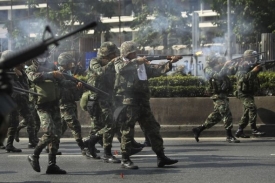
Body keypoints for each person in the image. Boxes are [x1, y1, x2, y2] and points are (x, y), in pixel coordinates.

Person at [113, 41, 179, 169]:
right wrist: (139, 61)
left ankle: (161, 156)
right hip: (129, 102)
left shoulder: (141, 65)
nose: (136, 54)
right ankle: (125, 159)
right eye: (133, 52)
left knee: (153, 129)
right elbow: (121, 69)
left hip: (143, 102)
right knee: (127, 131)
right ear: (127, 53)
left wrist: (170, 62)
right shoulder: (120, 62)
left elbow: (157, 70)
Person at [26, 51, 77, 174]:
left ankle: (52, 164)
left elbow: (62, 83)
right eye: (41, 55)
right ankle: (34, 155)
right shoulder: (31, 68)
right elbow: (34, 77)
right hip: (41, 105)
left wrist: (75, 84)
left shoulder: (52, 66)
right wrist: (51, 74)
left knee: (57, 134)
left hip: (54, 104)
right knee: (49, 132)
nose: (43, 58)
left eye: (45, 55)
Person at [192, 55, 240, 143]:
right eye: (217, 61)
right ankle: (229, 135)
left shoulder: (218, 68)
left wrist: (236, 65)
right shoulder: (208, 69)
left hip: (223, 95)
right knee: (226, 113)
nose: (218, 63)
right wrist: (225, 66)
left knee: (216, 116)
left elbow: (231, 72)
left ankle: (199, 129)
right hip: (217, 95)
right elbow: (217, 76)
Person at [57, 52, 87, 155]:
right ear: (64, 63)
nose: (72, 64)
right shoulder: (60, 74)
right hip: (64, 104)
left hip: (70, 103)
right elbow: (64, 84)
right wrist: (75, 83)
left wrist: (79, 87)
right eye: (70, 62)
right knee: (75, 126)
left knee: (61, 128)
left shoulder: (69, 72)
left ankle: (51, 146)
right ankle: (83, 148)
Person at [234, 50, 265, 138]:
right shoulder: (242, 65)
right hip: (243, 93)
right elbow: (242, 79)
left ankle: (240, 130)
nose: (254, 58)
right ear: (248, 57)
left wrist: (259, 68)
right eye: (252, 57)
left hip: (249, 92)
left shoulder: (251, 65)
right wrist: (253, 71)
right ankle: (254, 129)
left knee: (247, 112)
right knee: (252, 108)